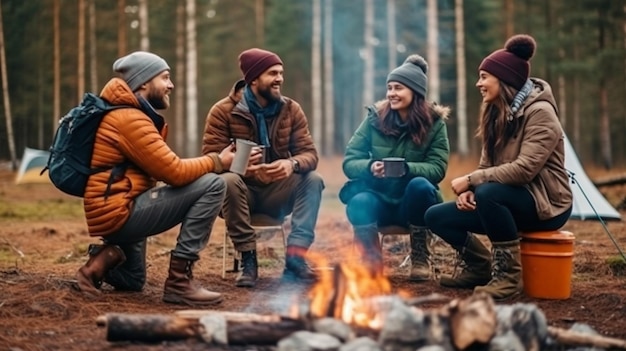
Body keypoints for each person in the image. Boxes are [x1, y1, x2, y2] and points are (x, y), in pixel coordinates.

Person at [76, 51, 235, 307]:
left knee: (132, 279)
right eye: (165, 78)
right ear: (144, 82)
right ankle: (179, 282)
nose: (171, 85)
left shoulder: (129, 114)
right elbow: (174, 172)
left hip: (116, 207)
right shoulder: (129, 119)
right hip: (120, 212)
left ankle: (103, 258)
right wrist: (217, 161)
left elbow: (165, 167)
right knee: (214, 184)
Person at [424, 34, 573, 300]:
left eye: (484, 77)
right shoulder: (494, 111)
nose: (478, 83)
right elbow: (487, 164)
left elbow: (524, 170)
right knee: (436, 216)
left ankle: (507, 278)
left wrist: (473, 181)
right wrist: (469, 190)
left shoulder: (541, 113)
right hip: (504, 201)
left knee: (488, 194)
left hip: (546, 205)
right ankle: (479, 267)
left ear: (504, 79)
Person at [202, 48, 325, 288]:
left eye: (281, 72)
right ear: (253, 79)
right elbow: (210, 161)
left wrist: (292, 164)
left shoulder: (291, 109)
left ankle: (296, 259)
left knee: (313, 180)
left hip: (276, 192)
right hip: (240, 194)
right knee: (227, 181)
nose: (280, 78)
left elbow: (310, 154)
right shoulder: (223, 112)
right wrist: (243, 168)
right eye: (272, 73)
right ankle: (248, 259)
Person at [339, 54, 450, 279]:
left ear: (415, 92)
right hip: (379, 200)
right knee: (359, 200)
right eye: (389, 88)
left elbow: (438, 168)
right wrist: (370, 167)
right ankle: (370, 262)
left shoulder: (435, 124)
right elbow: (350, 161)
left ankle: (420, 259)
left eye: (398, 88)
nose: (391, 93)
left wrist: (408, 169)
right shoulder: (374, 119)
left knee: (420, 186)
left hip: (414, 206)